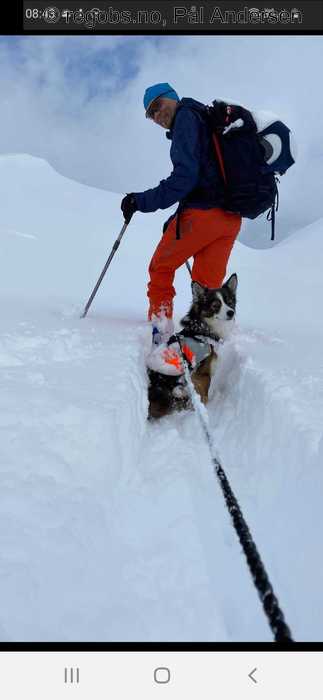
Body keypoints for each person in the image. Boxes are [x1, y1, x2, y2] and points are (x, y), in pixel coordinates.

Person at [121, 82, 241, 344]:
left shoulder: (186, 118)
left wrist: (140, 201)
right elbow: (204, 177)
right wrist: (175, 218)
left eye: (158, 106)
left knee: (161, 267)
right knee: (207, 287)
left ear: (172, 98)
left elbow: (184, 178)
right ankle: (205, 346)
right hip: (230, 219)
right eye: (150, 114)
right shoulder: (203, 119)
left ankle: (160, 334)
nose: (156, 116)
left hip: (204, 216)